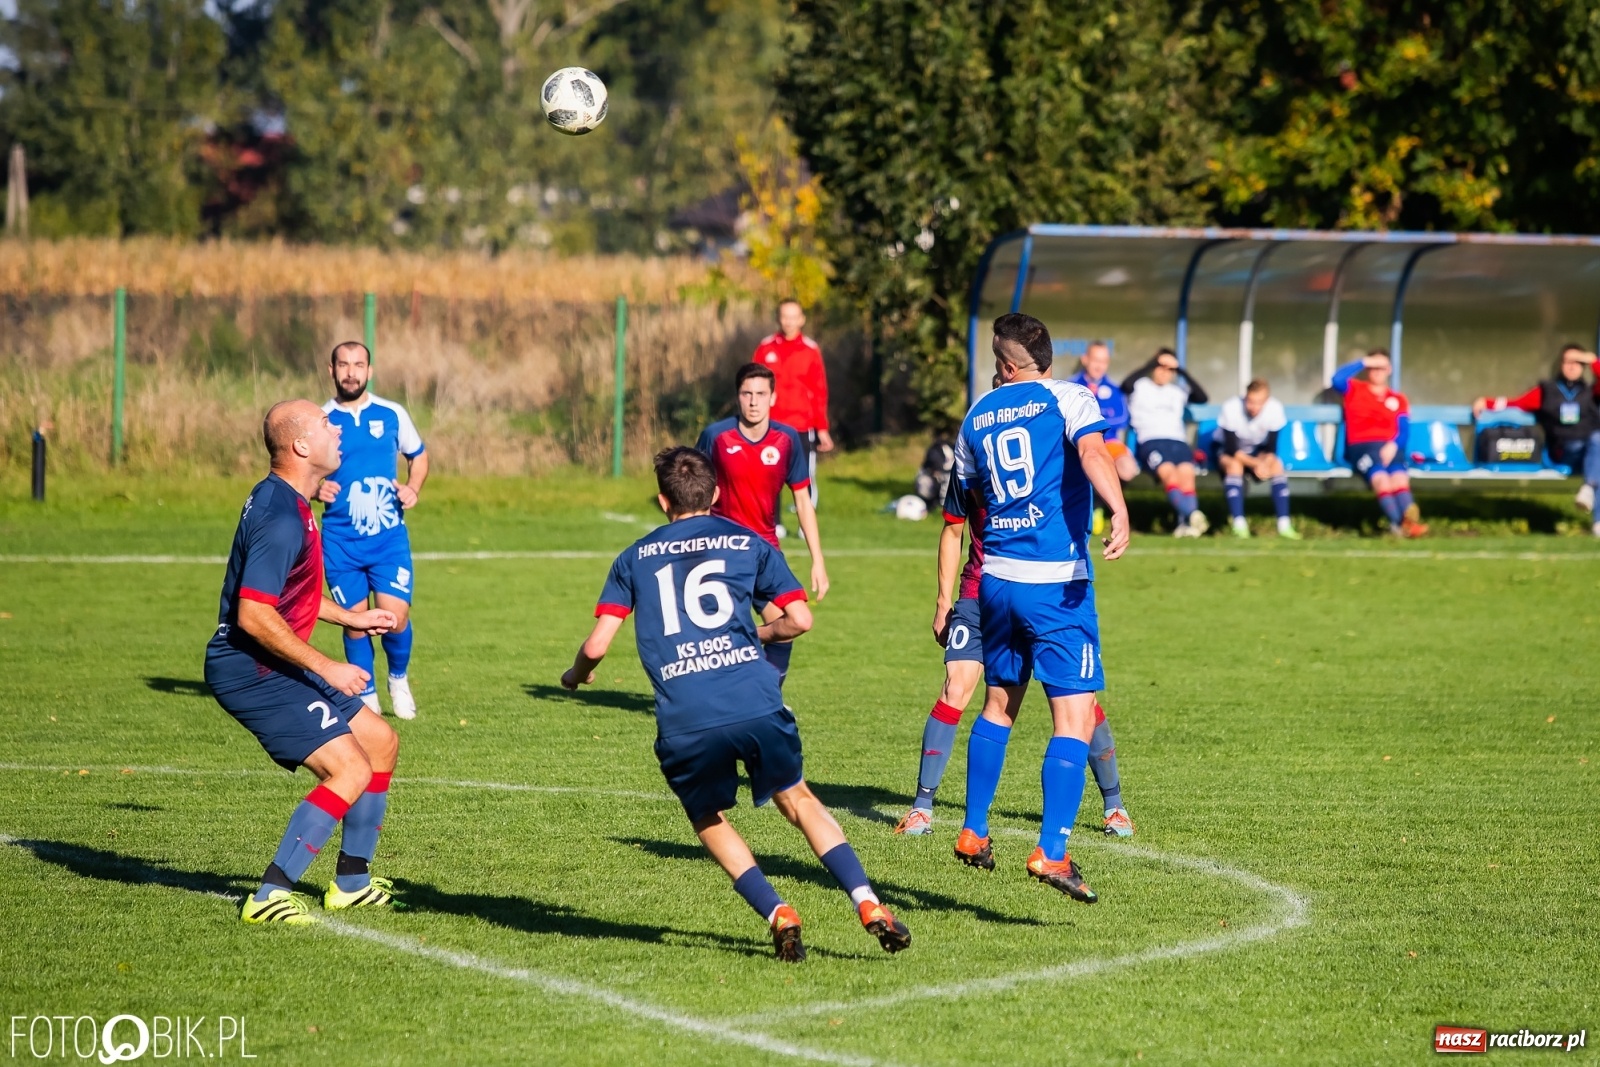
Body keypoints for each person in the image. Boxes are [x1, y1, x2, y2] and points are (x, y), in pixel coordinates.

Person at [560, 447, 909, 963]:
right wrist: (753, 635)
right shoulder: (747, 541)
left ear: (663, 501)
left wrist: (576, 676)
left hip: (686, 718)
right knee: (798, 799)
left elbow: (596, 646)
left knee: (707, 815)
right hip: (754, 699)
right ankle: (867, 900)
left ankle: (777, 911)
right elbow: (799, 619)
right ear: (717, 494)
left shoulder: (633, 557)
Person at [894, 375, 1134, 839]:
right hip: (981, 591)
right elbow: (952, 530)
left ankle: (1114, 804)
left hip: (1034, 586)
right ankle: (923, 807)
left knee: (1079, 703)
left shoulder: (1041, 456)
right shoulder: (975, 458)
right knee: (958, 687)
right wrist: (943, 601)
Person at [946, 312, 1131, 903]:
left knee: (999, 705)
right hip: (1055, 584)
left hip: (995, 581)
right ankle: (1052, 851)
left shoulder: (976, 415)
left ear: (1006, 365)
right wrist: (1119, 507)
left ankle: (974, 830)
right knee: (1074, 718)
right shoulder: (1070, 397)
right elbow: (1094, 453)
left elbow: (965, 499)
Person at [204, 400, 403, 924]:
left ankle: (351, 884)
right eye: (324, 424)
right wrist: (328, 666)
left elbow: (291, 595)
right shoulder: (280, 516)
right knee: (349, 767)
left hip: (274, 658)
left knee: (380, 741)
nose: (335, 429)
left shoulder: (291, 500)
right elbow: (254, 614)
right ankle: (269, 895)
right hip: (250, 669)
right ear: (300, 446)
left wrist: (350, 618)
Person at [695, 363, 828, 693]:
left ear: (773, 398)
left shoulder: (787, 440)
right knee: (713, 633)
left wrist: (818, 560)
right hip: (722, 551)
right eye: (746, 393)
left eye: (760, 394)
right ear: (737, 397)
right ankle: (731, 700)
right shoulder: (716, 436)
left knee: (791, 624)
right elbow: (695, 494)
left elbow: (802, 501)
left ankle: (766, 695)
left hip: (765, 551)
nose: (753, 401)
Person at [316, 341, 429, 719]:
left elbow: (418, 456)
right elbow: (298, 470)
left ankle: (398, 679)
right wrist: (315, 489)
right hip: (340, 541)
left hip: (388, 539)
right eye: (343, 365)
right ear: (331, 370)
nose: (351, 373)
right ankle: (365, 694)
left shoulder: (392, 413)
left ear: (370, 371)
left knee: (395, 618)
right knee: (354, 622)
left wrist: (413, 488)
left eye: (358, 365)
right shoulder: (320, 419)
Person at [1473, 345, 1600, 531]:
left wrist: (1593, 360)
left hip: (1591, 452)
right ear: (1561, 365)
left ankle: (1593, 505)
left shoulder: (1592, 392)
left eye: (1578, 362)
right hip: (1563, 452)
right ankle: (1592, 501)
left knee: (1597, 443)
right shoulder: (1547, 391)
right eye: (1568, 362)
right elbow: (1517, 403)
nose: (1572, 366)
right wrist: (1486, 402)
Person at [1332, 349, 1428, 538]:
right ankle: (1399, 525)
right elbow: (1336, 379)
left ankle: (1407, 524)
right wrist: (1364, 361)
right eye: (1373, 367)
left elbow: (1404, 430)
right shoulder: (1354, 389)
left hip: (1390, 447)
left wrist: (1393, 445)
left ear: (1389, 369)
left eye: (1381, 367)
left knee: (1400, 479)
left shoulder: (1398, 399)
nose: (1377, 371)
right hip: (1362, 446)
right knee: (1382, 480)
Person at [753, 298, 831, 519]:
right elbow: (753, 385)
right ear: (778, 318)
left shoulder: (810, 350)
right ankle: (773, 523)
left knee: (804, 476)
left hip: (801, 426)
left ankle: (805, 524)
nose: (789, 322)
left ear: (802, 319)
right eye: (785, 317)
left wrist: (822, 428)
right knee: (769, 474)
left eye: (793, 317)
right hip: (771, 425)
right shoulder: (766, 347)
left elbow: (819, 391)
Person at [1122, 347, 1210, 537]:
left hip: (1178, 441)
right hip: (1151, 441)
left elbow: (1202, 397)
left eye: (1170, 369)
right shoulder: (1140, 386)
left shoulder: (1177, 391)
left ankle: (1186, 525)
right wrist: (1152, 364)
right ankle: (1193, 514)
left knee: (1187, 476)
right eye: (1160, 366)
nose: (1164, 371)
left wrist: (1181, 370)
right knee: (1169, 474)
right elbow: (1125, 386)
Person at [1214, 378, 1301, 539]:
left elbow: (1271, 449)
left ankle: (1284, 525)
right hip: (1228, 451)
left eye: (1259, 402)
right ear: (1245, 397)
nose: (1254, 407)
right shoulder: (1231, 407)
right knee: (1234, 466)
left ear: (1267, 400)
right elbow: (1231, 449)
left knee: (1276, 465)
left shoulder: (1275, 408)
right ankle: (1239, 526)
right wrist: (1256, 464)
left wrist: (1264, 464)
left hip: (1256, 451)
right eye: (1251, 402)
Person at [1068, 341, 1140, 483]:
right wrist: (1104, 415)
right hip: (1079, 443)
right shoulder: (1070, 386)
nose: (1099, 366)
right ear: (1085, 359)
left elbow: (1122, 419)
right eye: (1096, 360)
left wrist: (1091, 419)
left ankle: (1110, 496)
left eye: (1104, 361)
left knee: (1127, 468)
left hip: (1109, 442)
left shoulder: (1115, 389)